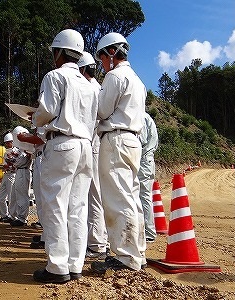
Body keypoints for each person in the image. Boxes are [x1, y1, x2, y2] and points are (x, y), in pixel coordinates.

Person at [30, 28, 97, 283]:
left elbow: (46, 112)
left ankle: (57, 267)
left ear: (58, 52)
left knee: (54, 206)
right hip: (84, 147)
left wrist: (34, 117)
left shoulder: (54, 76)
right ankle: (74, 264)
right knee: (77, 208)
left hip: (62, 145)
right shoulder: (89, 85)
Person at [90, 32, 147, 273]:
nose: (102, 65)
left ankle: (125, 257)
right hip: (132, 141)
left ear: (111, 53)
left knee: (117, 199)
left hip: (115, 140)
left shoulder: (115, 77)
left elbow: (102, 111)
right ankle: (137, 253)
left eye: (102, 58)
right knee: (131, 198)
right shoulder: (137, 80)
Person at [78, 52, 110, 260]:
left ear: (82, 70)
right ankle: (100, 241)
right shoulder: (98, 88)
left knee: (94, 196)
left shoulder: (89, 89)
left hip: (93, 146)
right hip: (97, 145)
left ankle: (98, 244)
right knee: (96, 195)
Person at [138, 111, 158, 242]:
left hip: (143, 160)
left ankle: (149, 232)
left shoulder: (141, 117)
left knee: (143, 196)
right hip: (148, 160)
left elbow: (141, 140)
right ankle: (148, 230)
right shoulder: (148, 118)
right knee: (145, 196)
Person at [8, 126, 33, 227]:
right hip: (20, 172)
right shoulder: (22, 149)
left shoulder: (26, 149)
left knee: (22, 195)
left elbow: (19, 162)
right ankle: (18, 216)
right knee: (17, 194)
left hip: (24, 171)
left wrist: (13, 160)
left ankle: (23, 218)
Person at [0, 133, 16, 223]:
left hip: (12, 175)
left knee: (11, 197)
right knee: (0, 197)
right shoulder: (6, 152)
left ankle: (12, 216)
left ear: (12, 142)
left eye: (8, 143)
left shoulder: (16, 151)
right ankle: (4, 215)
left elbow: (16, 165)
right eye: (6, 143)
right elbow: (5, 165)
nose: (7, 144)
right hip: (6, 174)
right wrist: (1, 167)